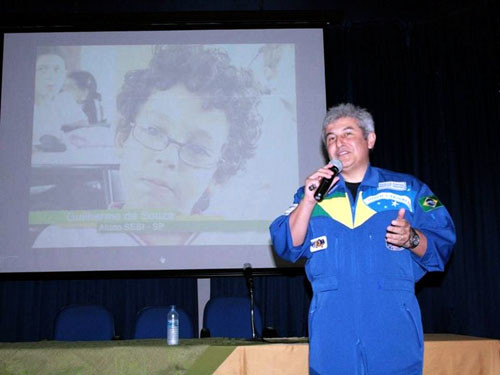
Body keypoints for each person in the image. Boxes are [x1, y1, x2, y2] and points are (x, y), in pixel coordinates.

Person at [269, 103, 456, 375]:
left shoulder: (407, 189)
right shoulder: (312, 195)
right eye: (331, 138)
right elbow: (287, 243)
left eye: (347, 134)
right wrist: (309, 200)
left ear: (370, 139)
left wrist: (411, 238)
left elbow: (443, 241)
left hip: (391, 321)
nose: (338, 143)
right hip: (332, 323)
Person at [32, 44, 262, 247]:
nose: (168, 159)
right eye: (154, 131)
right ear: (122, 137)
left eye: (198, 149)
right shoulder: (63, 241)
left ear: (218, 176)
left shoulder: (239, 246)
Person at [32, 47, 88, 152]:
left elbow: (83, 129)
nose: (51, 76)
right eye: (42, 69)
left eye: (57, 70)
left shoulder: (64, 99)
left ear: (64, 74)